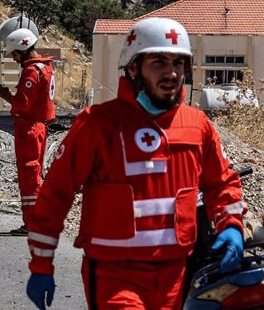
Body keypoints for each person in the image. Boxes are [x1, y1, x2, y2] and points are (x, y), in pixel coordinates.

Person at [25, 17, 247, 310]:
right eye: (158, 63)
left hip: (174, 276)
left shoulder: (198, 125)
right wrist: (42, 263)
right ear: (133, 68)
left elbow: (221, 182)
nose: (171, 73)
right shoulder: (97, 125)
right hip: (114, 276)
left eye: (179, 64)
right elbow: (55, 195)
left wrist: (231, 224)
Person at [0, 27, 55, 236]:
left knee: (29, 176)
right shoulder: (45, 67)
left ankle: (33, 223)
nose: (14, 58)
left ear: (23, 49)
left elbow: (22, 104)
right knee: (34, 174)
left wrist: (4, 94)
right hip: (38, 127)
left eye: (15, 53)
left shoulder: (31, 72)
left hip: (30, 128)